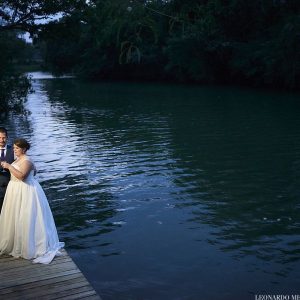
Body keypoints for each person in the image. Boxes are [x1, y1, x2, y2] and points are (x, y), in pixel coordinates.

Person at [0, 138, 64, 264]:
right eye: (14, 148)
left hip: (25, 190)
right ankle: (15, 241)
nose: (14, 150)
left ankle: (29, 245)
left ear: (24, 149)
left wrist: (8, 166)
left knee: (27, 216)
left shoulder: (27, 160)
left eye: (17, 148)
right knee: (15, 216)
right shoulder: (18, 159)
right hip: (15, 190)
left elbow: (22, 176)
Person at [0, 127, 14, 211]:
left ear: (7, 137)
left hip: (11, 187)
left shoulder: (14, 150)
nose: (1, 140)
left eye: (3, 137)